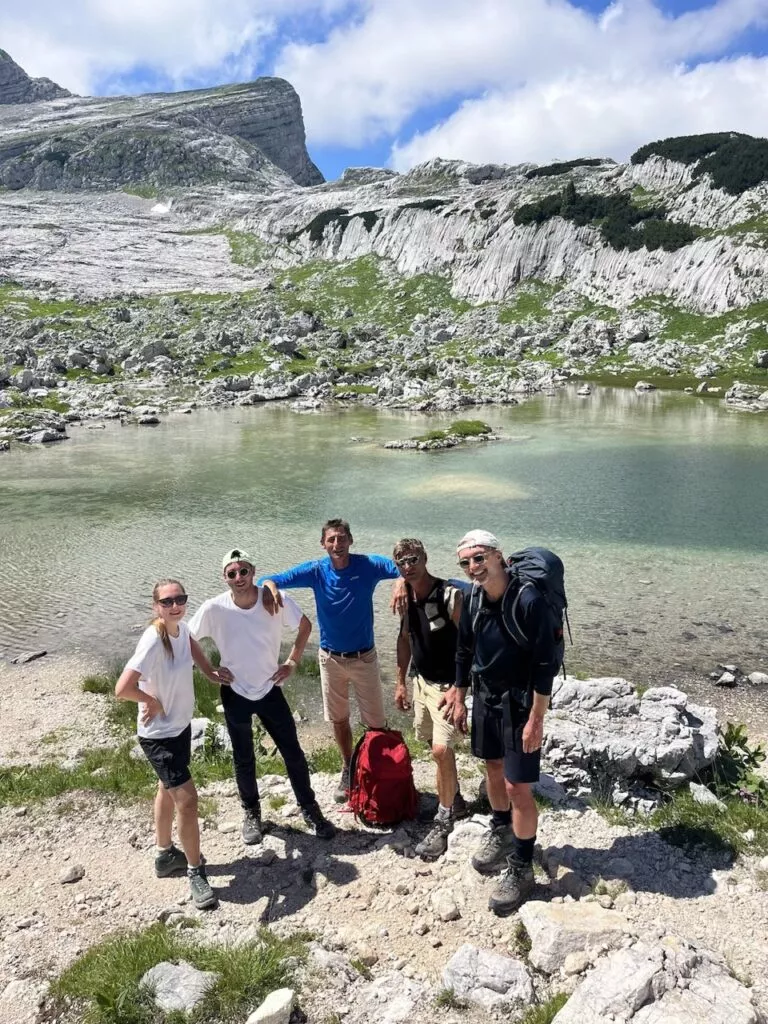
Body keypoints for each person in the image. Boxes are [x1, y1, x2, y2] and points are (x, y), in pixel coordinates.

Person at [443, 530, 559, 916]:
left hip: (521, 702)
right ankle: (501, 829)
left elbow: (545, 664)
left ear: (498, 556)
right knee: (492, 768)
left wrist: (537, 719)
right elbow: (463, 648)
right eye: (466, 562)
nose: (473, 567)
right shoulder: (473, 597)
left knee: (518, 786)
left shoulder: (527, 599)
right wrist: (459, 694)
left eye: (479, 558)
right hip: (487, 698)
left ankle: (523, 866)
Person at [189, 548, 335, 844]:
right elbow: (188, 638)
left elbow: (305, 625)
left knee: (293, 753)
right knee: (244, 758)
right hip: (235, 693)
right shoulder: (214, 608)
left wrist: (292, 661)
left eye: (244, 571)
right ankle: (252, 813)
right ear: (225, 578)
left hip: (270, 689)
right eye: (232, 573)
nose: (239, 577)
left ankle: (310, 809)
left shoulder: (274, 600)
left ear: (253, 571)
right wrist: (208, 671)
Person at [259, 519, 401, 803]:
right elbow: (272, 578)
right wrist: (270, 585)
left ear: (351, 540)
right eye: (331, 540)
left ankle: (376, 769)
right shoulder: (316, 571)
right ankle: (348, 767)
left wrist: (400, 583)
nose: (337, 544)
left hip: (365, 657)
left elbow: (403, 568)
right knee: (339, 720)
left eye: (342, 538)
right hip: (330, 659)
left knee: (375, 723)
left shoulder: (368, 565)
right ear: (323, 544)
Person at [115, 578, 233, 910]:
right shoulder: (154, 638)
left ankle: (165, 855)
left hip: (179, 728)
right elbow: (122, 688)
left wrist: (209, 672)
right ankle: (196, 872)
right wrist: (149, 701)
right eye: (167, 601)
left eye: (180, 599)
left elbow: (192, 644)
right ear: (156, 607)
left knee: (165, 789)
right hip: (158, 736)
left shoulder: (179, 629)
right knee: (188, 800)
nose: (175, 605)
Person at [393, 537, 468, 859]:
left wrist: (460, 687)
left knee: (441, 749)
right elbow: (404, 639)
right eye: (401, 563)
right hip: (421, 682)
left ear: (425, 558)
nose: (408, 567)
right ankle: (457, 798)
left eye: (412, 560)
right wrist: (400, 682)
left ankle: (445, 818)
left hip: (447, 686)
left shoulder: (450, 595)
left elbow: (470, 642)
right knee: (428, 742)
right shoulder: (406, 595)